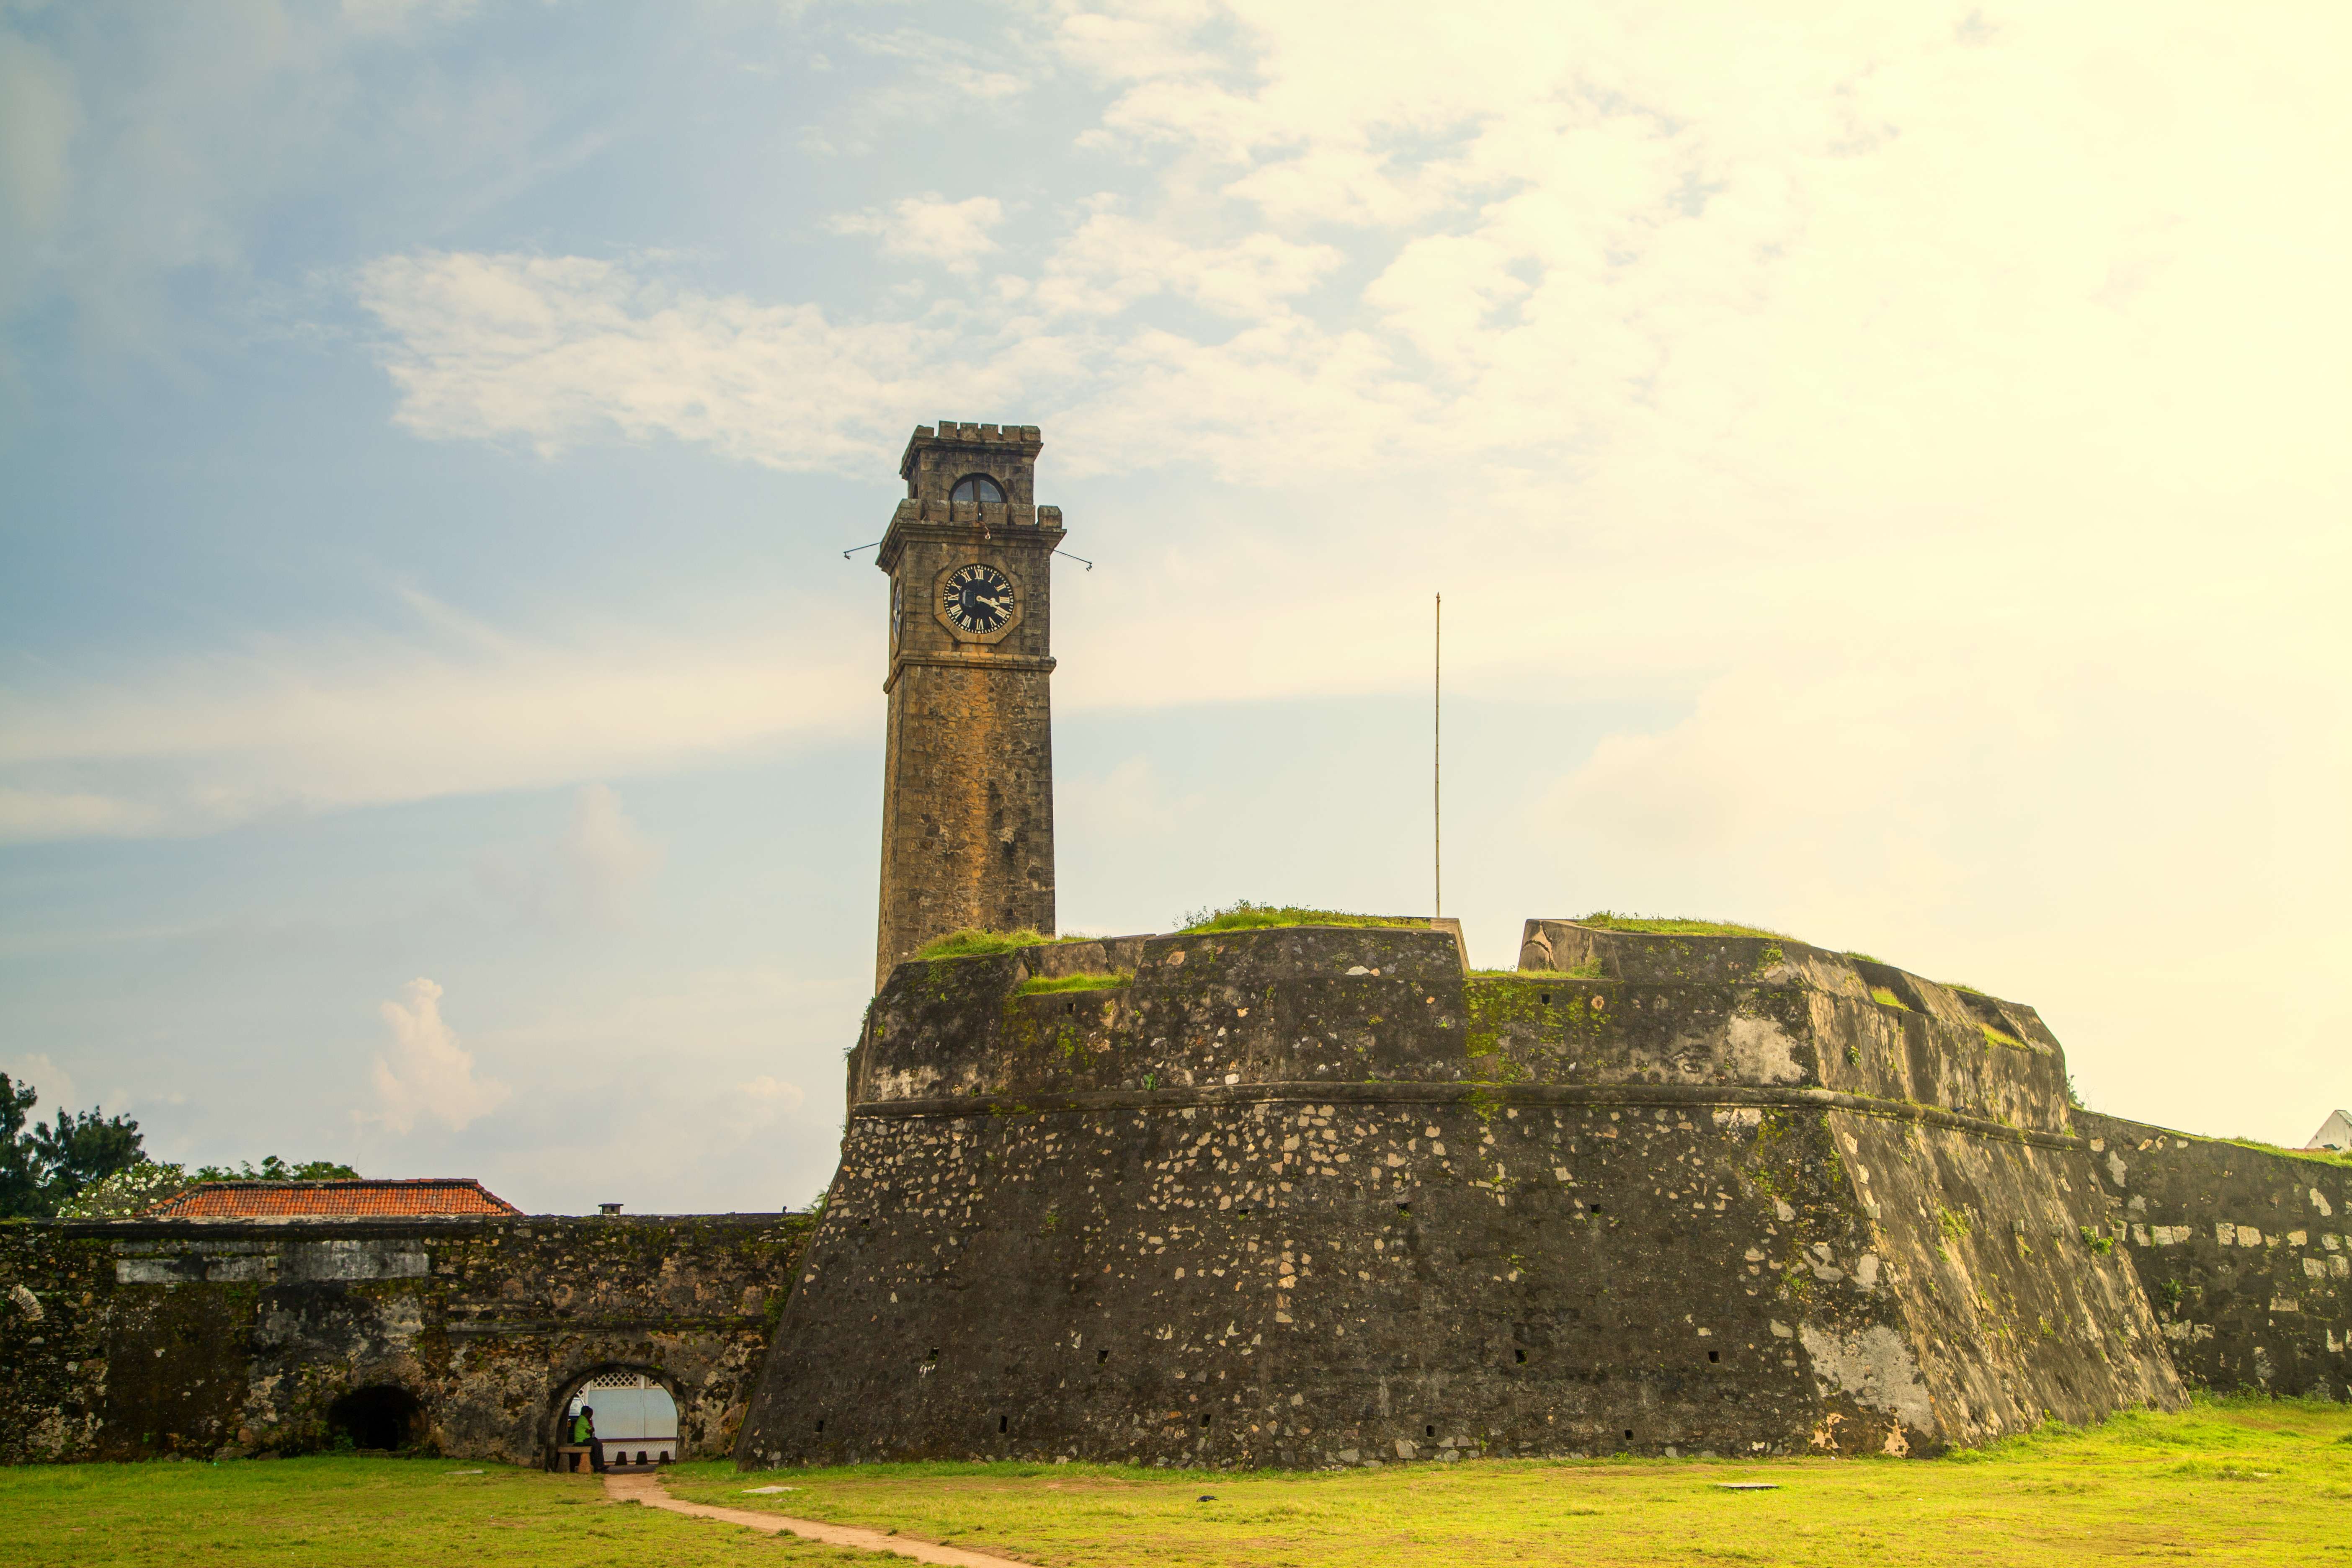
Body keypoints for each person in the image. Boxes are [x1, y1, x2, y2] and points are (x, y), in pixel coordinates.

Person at [571, 1404, 604, 1473]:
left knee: (596, 1444)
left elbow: (591, 1430)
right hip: (582, 1441)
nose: (591, 1416)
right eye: (590, 1414)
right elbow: (592, 1429)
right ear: (587, 1413)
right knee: (598, 1445)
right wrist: (590, 1430)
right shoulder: (583, 1420)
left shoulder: (582, 1419)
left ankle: (598, 1465)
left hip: (584, 1439)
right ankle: (599, 1466)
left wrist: (590, 1430)